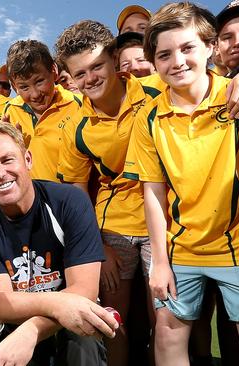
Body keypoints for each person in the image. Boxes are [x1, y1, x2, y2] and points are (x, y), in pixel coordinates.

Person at [123, 3, 239, 365]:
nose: (178, 62)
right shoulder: (149, 117)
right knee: (167, 337)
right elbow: (152, 193)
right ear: (154, 63)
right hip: (181, 251)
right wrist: (159, 262)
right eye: (165, 54)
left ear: (210, 48)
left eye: (187, 48)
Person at [0, 122, 118, 366]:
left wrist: (32, 329)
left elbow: (85, 292)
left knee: (83, 338)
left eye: (7, 160)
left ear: (28, 159)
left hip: (70, 323)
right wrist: (55, 305)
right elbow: (1, 304)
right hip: (13, 323)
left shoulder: (69, 202)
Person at [54, 19, 163, 365]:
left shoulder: (158, 90)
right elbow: (75, 189)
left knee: (166, 320)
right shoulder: (75, 126)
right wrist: (98, 246)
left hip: (164, 222)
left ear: (115, 60)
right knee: (112, 322)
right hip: (111, 228)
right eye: (80, 74)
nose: (90, 79)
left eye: (97, 66)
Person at [2, 39, 82, 182]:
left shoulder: (78, 105)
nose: (35, 94)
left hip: (69, 201)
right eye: (24, 87)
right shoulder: (10, 111)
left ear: (54, 71)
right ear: (14, 87)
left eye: (39, 81)